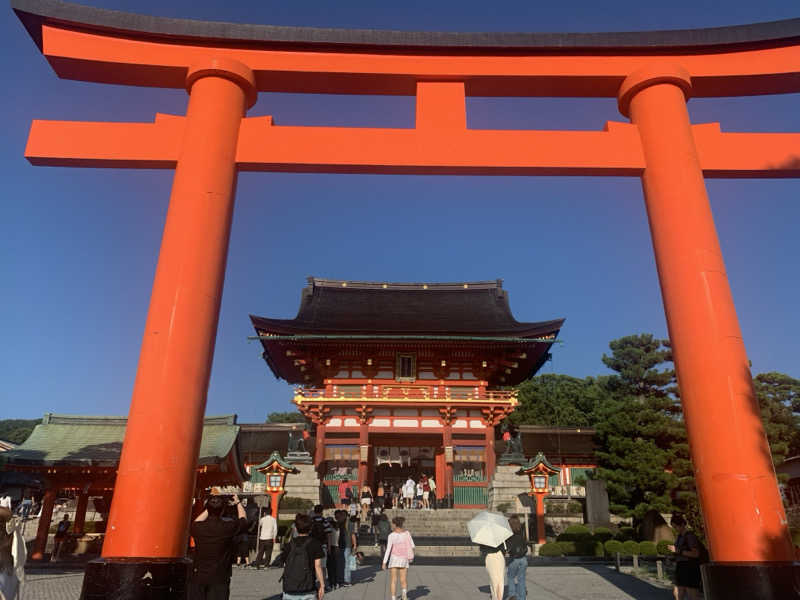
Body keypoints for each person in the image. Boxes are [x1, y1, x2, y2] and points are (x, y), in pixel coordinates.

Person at [189, 494, 247, 600]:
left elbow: (196, 521)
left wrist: (210, 506)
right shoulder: (227, 527)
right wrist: (238, 502)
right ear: (222, 510)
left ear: (207, 509)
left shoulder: (198, 528)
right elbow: (243, 520)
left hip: (199, 575)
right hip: (220, 576)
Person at [280, 513, 325, 600]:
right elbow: (318, 566)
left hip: (289, 588)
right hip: (308, 588)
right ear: (310, 528)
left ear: (296, 528)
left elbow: (285, 563)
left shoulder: (289, 545)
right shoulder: (315, 544)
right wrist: (322, 585)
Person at [667, 515, 704, 600]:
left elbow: (696, 554)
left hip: (690, 568)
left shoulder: (690, 536)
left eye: (676, 526)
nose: (675, 529)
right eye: (674, 527)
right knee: (677, 592)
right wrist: (673, 556)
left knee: (692, 594)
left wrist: (678, 551)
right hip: (681, 567)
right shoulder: (679, 537)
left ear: (682, 524)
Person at [382, 516, 414, 600]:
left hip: (394, 558)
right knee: (403, 579)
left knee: (393, 580)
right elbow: (412, 546)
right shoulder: (407, 533)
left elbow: (388, 549)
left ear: (395, 524)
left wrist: (384, 562)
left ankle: (393, 598)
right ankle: (404, 595)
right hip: (404, 558)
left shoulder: (391, 535)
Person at [505, 516, 528, 600]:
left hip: (514, 559)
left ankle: (512, 594)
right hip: (523, 559)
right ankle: (522, 597)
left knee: (510, 577)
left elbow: (507, 548)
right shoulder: (522, 532)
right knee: (521, 579)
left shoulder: (508, 534)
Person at [335, 511, 357, 587]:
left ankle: (339, 580)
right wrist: (355, 545)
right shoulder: (350, 523)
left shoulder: (338, 523)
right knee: (347, 563)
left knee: (340, 563)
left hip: (339, 545)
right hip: (347, 545)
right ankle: (347, 580)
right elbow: (353, 535)